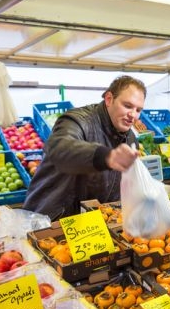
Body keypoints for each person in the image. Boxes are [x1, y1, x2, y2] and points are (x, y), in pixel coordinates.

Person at [23, 76, 144, 220]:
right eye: (127, 106)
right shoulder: (77, 120)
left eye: (138, 109)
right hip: (50, 221)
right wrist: (106, 156)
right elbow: (59, 148)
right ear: (109, 99)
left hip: (91, 225)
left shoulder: (130, 140)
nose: (133, 115)